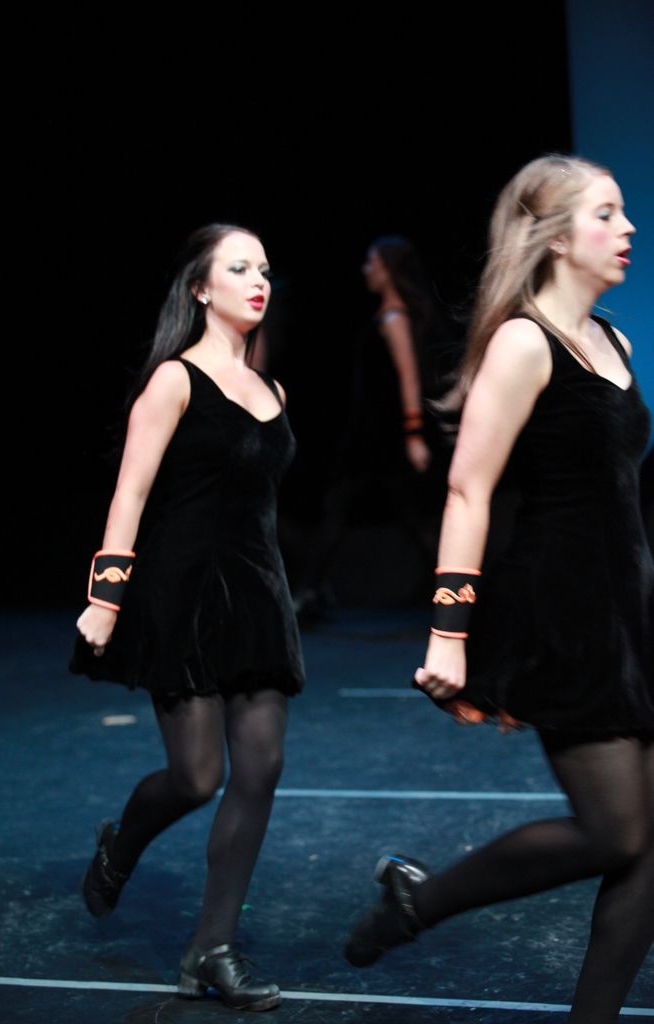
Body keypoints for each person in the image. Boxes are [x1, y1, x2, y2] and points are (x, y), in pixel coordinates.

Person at [344, 155, 653, 1023]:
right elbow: (467, 491)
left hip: (629, 611)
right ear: (552, 236)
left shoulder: (615, 341)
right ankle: (420, 900)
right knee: (614, 832)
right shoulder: (523, 342)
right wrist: (448, 633)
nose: (627, 228)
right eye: (605, 213)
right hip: (564, 612)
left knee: (647, 846)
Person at [71, 224, 305, 1013]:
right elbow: (131, 491)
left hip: (257, 598)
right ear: (201, 288)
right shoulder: (174, 379)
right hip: (184, 597)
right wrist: (106, 597)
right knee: (197, 777)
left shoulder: (273, 392)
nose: (258, 280)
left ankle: (211, 949)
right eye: (239, 268)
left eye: (264, 268)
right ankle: (122, 843)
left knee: (261, 768)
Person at [294, 236, 458, 617]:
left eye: (372, 263)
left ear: (388, 269)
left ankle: (454, 595)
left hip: (384, 437)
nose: (366, 270)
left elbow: (408, 376)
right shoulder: (391, 313)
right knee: (397, 515)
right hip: (375, 435)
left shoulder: (394, 317)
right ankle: (312, 589)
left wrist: (413, 434)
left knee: (398, 515)